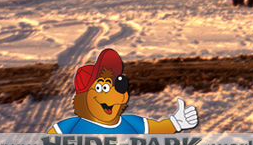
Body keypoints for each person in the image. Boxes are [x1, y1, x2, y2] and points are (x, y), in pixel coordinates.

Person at [47, 47, 198, 134]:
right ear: (83, 98)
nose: (114, 94)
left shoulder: (131, 122)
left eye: (117, 85)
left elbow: (156, 128)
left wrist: (176, 123)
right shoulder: (70, 127)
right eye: (101, 88)